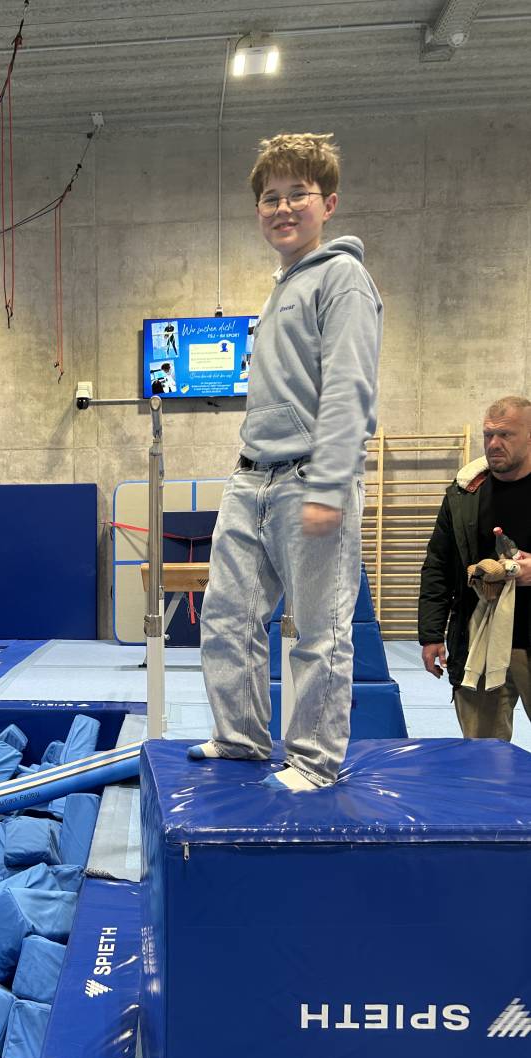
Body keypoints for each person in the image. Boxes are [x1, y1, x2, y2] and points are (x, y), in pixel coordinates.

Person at [191, 132, 383, 791]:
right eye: (270, 198)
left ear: (328, 203)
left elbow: (350, 387)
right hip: (252, 477)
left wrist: (330, 482)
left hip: (310, 477)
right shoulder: (281, 288)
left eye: (297, 194)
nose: (282, 208)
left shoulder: (343, 278)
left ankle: (314, 760)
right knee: (226, 617)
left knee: (319, 631)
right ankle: (241, 736)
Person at [419, 396, 531, 738]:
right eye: (488, 435)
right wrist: (431, 634)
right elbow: (438, 565)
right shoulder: (464, 493)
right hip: (478, 640)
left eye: (506, 435)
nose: (494, 444)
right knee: (482, 754)